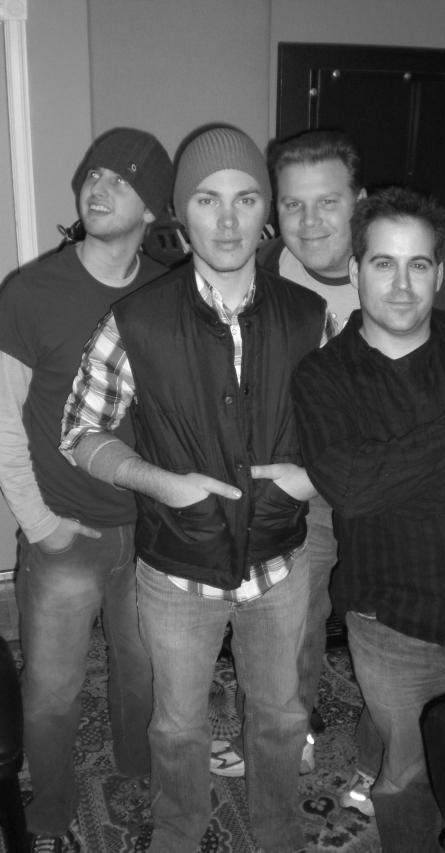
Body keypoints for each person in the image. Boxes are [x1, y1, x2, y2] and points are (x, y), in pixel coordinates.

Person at [60, 126, 326, 853]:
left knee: (280, 716)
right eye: (208, 200)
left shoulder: (310, 317)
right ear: (180, 212)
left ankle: (278, 833)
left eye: (246, 199)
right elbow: (81, 432)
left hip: (280, 564)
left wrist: (315, 475)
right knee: (177, 725)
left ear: (266, 210)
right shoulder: (136, 319)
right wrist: (160, 482)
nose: (229, 221)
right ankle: (178, 833)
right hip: (177, 570)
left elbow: (351, 428)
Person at [258, 128, 445, 806]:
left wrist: (391, 471)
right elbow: (352, 487)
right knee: (402, 772)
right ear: (357, 272)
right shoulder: (307, 348)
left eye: (418, 266)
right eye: (384, 264)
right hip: (381, 596)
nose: (402, 286)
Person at [0, 127, 173, 853]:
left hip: (152, 533)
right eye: (94, 173)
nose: (98, 188)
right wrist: (41, 526)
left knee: (143, 672)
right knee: (51, 690)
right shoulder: (30, 292)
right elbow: (2, 421)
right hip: (65, 531)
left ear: (152, 208)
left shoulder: (169, 286)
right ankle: (49, 807)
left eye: (121, 180)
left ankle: (137, 767)